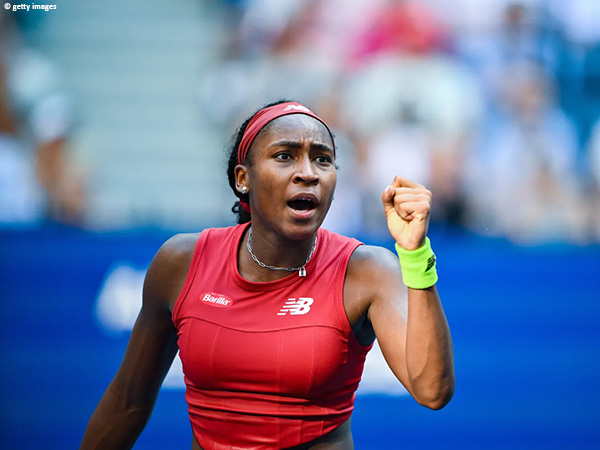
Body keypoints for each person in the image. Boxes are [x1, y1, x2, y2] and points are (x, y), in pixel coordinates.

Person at [80, 100, 454, 449]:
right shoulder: (180, 262)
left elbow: (432, 390)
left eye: (322, 160)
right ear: (243, 178)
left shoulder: (367, 271)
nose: (307, 173)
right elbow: (128, 401)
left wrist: (414, 254)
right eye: (285, 156)